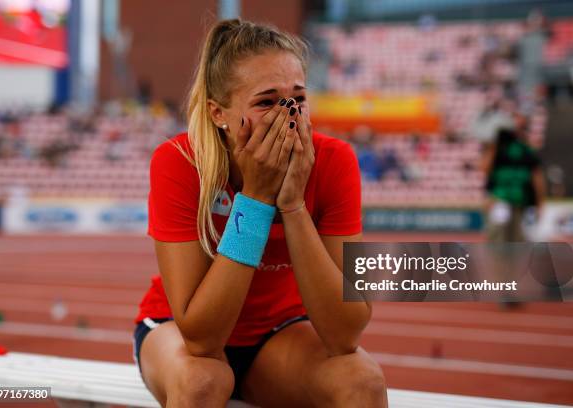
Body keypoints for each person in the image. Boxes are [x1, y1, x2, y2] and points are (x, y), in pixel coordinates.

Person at [132, 19, 387, 407]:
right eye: (267, 102)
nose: (288, 116)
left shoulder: (333, 160)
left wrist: (292, 205)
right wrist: (254, 198)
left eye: (298, 100)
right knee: (202, 380)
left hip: (280, 333)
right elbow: (202, 338)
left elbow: (344, 335)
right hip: (177, 333)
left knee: (362, 382)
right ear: (219, 114)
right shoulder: (180, 161)